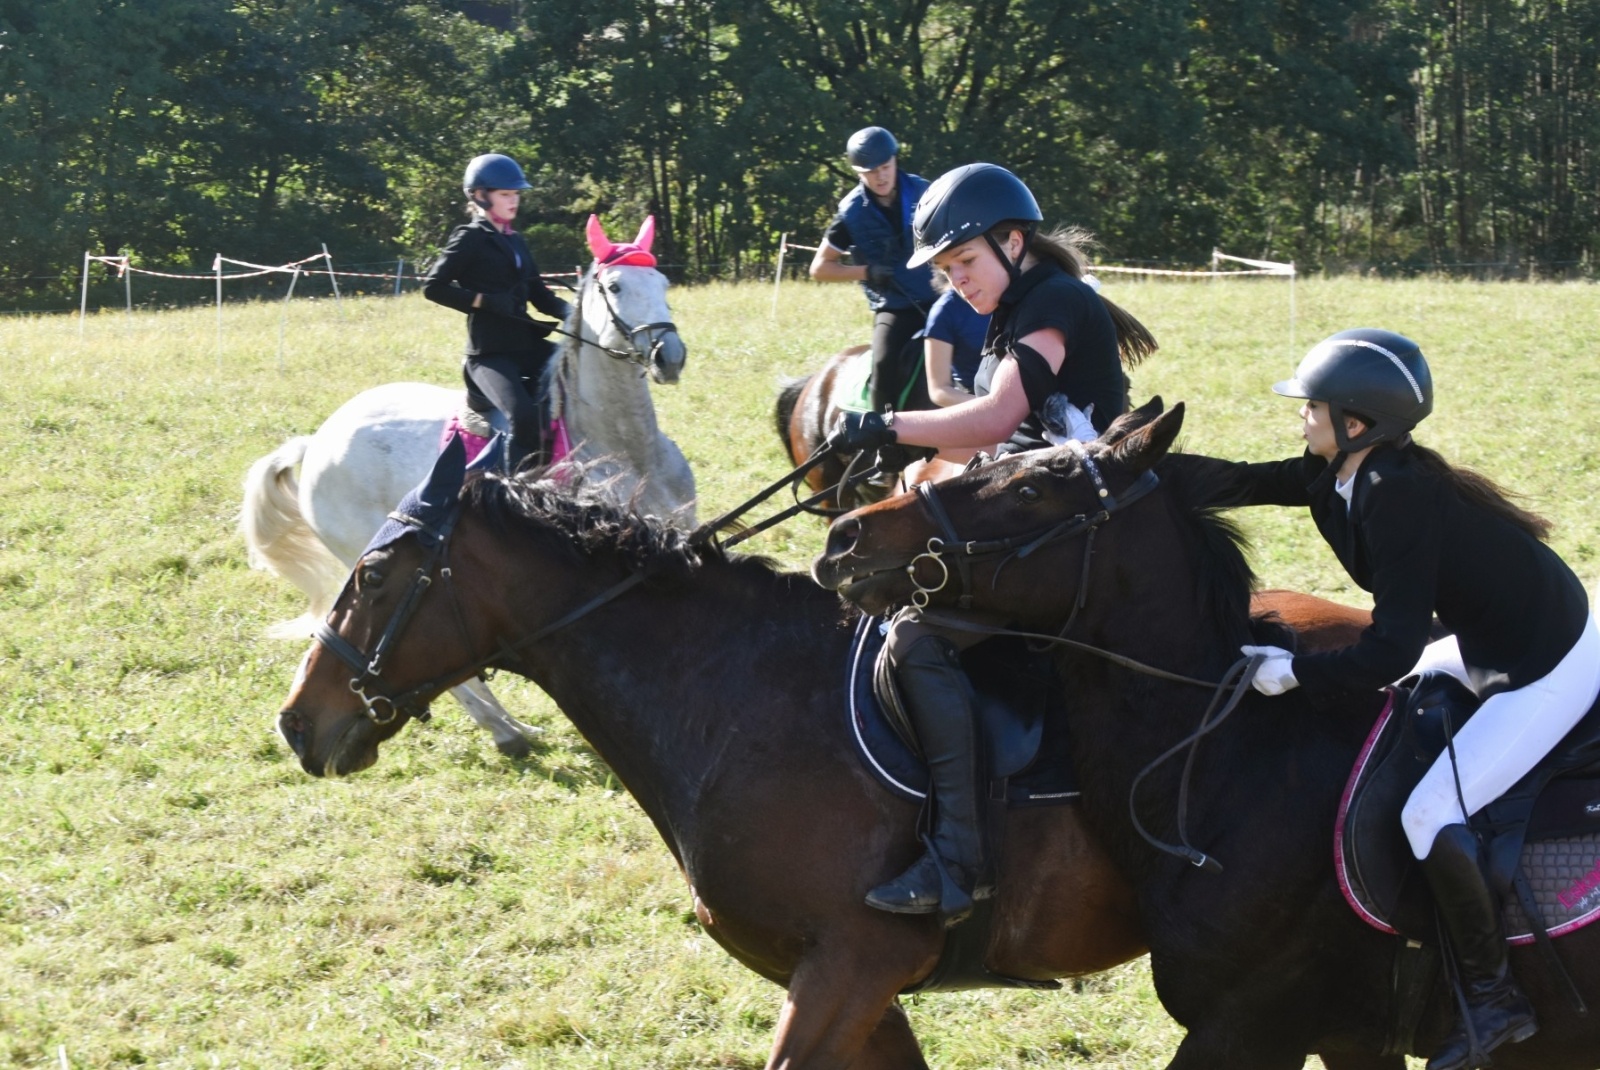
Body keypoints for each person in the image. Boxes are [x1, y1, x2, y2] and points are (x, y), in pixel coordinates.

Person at [1206, 328, 1600, 1070]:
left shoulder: (1398, 496)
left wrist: (1294, 675)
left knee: (1429, 811)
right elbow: (1245, 480)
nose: (1301, 417)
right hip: (1488, 642)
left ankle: (1492, 1002)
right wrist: (1122, 472)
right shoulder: (1348, 471)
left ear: (1356, 423)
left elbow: (1389, 649)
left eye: (1312, 407)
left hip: (1546, 663)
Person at [827, 162, 1157, 926]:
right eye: (944, 272)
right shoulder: (1017, 305)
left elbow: (996, 419)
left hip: (1080, 534)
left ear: (1013, 241)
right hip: (1037, 514)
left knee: (914, 638)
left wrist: (888, 423)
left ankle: (957, 860)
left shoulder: (1055, 301)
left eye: (964, 264)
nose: (957, 284)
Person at [423, 153, 573, 470]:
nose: (513, 200)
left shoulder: (517, 241)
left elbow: (540, 295)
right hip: (489, 355)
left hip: (527, 345)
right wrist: (483, 301)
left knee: (578, 377)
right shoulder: (469, 239)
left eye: (516, 194)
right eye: (505, 194)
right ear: (480, 196)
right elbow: (433, 287)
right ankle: (505, 499)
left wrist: (577, 315)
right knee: (523, 418)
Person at [809, 126, 939, 414]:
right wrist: (867, 272)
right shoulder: (850, 213)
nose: (880, 176)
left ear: (895, 161)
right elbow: (819, 268)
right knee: (883, 362)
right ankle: (882, 438)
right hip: (896, 306)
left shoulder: (927, 192)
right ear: (858, 172)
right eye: (870, 171)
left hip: (943, 294)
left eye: (885, 167)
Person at [921, 286, 989, 407]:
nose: (958, 277)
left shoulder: (1014, 294)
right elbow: (939, 391)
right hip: (977, 403)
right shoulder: (944, 311)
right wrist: (991, 406)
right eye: (948, 269)